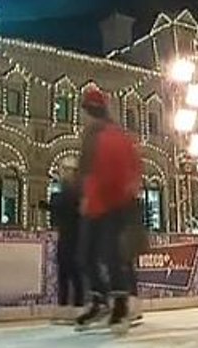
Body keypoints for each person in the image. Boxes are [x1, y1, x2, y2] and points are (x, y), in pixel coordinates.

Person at [74, 87, 143, 333]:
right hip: (98, 202)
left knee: (110, 256)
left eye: (84, 111)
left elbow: (117, 169)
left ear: (90, 111)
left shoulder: (107, 134)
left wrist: (104, 194)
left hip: (109, 203)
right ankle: (102, 301)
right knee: (88, 256)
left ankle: (119, 306)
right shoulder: (95, 134)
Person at [39, 158, 84, 322]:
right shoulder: (66, 189)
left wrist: (51, 205)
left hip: (76, 237)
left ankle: (77, 307)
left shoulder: (76, 190)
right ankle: (65, 306)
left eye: (66, 170)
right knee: (64, 272)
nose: (63, 173)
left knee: (74, 272)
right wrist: (48, 206)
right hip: (66, 236)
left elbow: (71, 209)